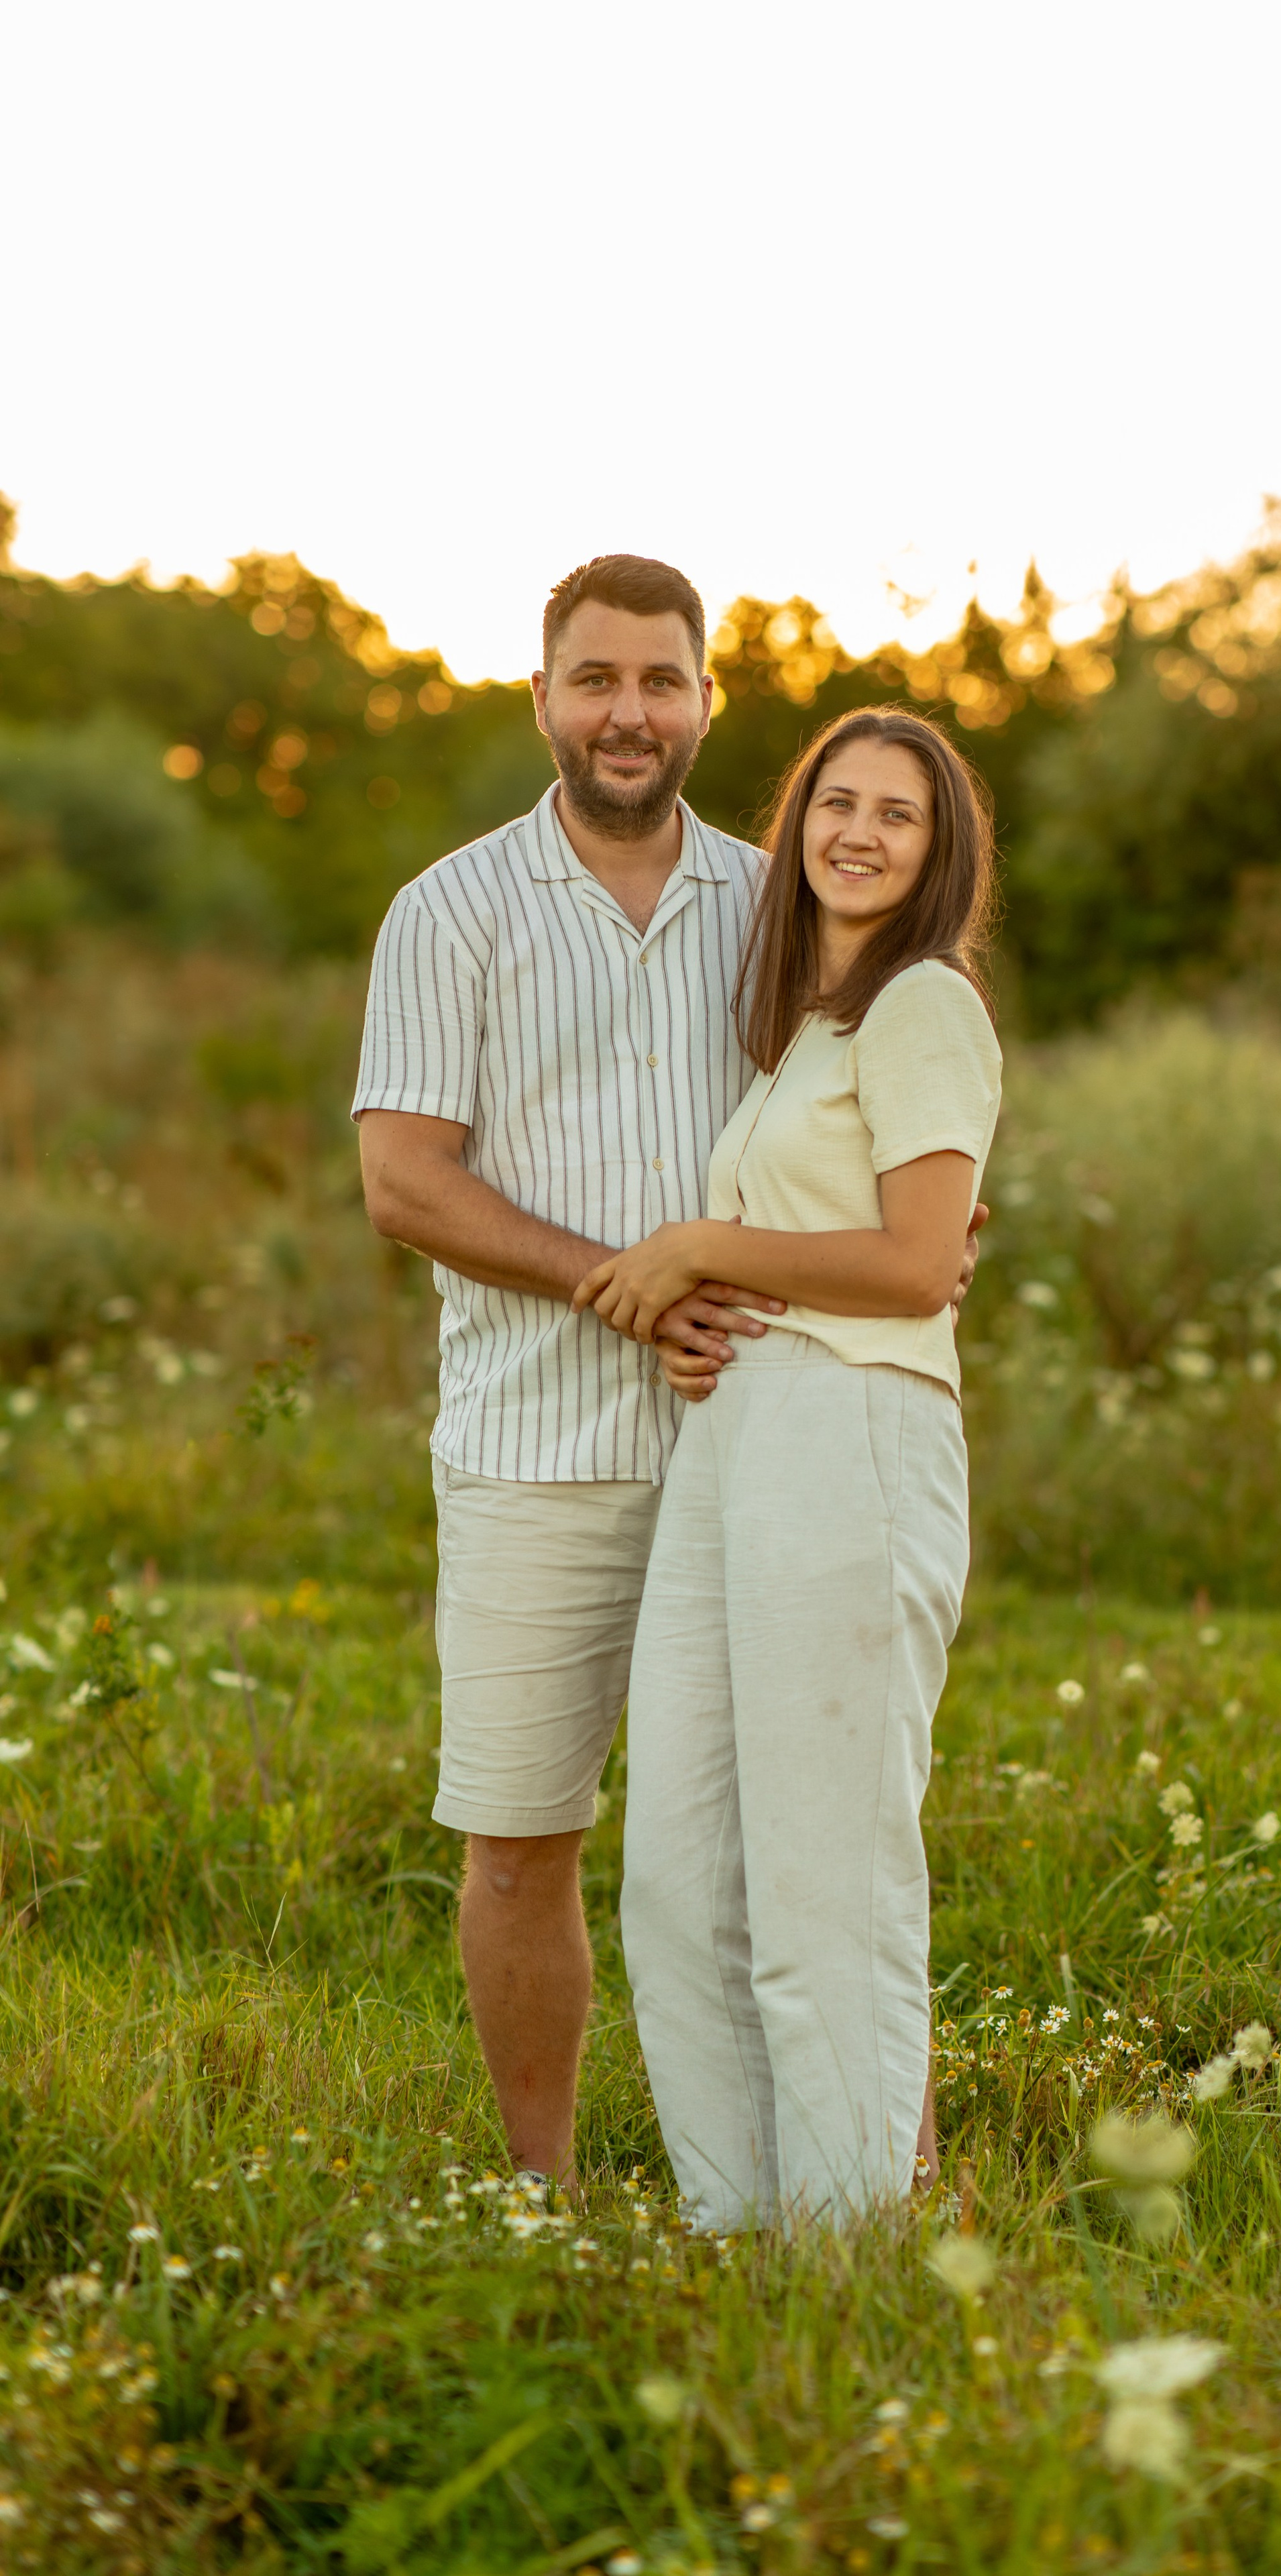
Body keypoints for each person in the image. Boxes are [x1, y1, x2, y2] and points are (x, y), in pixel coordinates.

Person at [353, 558, 981, 2194]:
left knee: (821, 1824)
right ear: (543, 696)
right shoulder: (450, 910)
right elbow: (405, 1185)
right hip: (536, 1441)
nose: (627, 712)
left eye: (660, 681)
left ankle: (889, 2178)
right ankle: (546, 2191)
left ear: (707, 702)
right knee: (523, 1834)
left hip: (771, 1435)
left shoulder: (783, 897)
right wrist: (629, 1288)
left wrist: (940, 1235)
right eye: (595, 680)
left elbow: (894, 1122)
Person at [573, 705, 1001, 2231]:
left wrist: (698, 1245)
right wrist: (704, 1310)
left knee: (827, 1886)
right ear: (798, 821)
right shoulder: (806, 1034)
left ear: (940, 852)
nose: (860, 832)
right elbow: (847, 1240)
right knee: (683, 1881)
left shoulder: (922, 1008)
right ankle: (737, 2232)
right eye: (838, 801)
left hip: (853, 1435)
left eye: (900, 813)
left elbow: (911, 1261)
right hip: (739, 1437)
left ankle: (851, 2262)